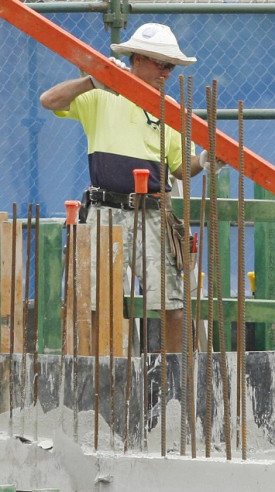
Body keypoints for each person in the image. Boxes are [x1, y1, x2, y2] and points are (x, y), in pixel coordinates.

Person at [40, 23, 223, 353]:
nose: (166, 73)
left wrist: (208, 161)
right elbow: (49, 100)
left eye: (171, 66)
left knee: (173, 304)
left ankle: (173, 387)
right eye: (161, 64)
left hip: (152, 214)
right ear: (137, 58)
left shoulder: (170, 111)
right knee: (96, 304)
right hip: (104, 212)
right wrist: (94, 80)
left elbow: (182, 169)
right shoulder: (98, 97)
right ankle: (103, 380)